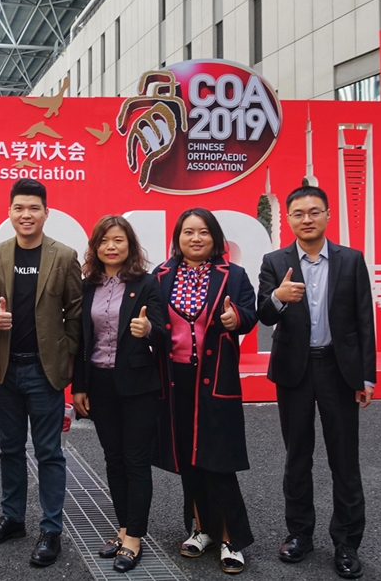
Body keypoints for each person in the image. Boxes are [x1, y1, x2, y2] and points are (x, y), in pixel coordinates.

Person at [257, 186, 376, 580]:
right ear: (288, 219)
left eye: (314, 211)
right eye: (298, 213)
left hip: (339, 369)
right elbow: (264, 315)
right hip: (295, 369)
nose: (306, 219)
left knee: (344, 459)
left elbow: (363, 320)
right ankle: (299, 534)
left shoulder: (350, 260)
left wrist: (366, 376)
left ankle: (347, 543)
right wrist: (278, 296)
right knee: (297, 456)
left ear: (326, 214)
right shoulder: (275, 261)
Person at [0, 178, 82, 567]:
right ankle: (13, 519)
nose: (26, 214)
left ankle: (51, 529)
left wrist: (67, 359)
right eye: (19, 208)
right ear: (9, 212)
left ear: (46, 213)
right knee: (9, 448)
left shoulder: (64, 256)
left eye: (34, 208)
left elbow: (76, 313)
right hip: (5, 367)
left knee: (49, 452)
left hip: (44, 370)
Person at [152, 208, 257, 575]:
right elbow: (153, 322)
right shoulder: (161, 275)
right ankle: (201, 529)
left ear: (215, 238)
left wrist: (236, 318)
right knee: (189, 460)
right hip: (175, 380)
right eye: (188, 232)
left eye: (203, 232)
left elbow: (250, 313)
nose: (195, 239)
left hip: (215, 379)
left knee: (219, 461)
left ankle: (231, 538)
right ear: (177, 238)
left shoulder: (233, 275)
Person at [71, 216, 166, 573]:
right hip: (99, 383)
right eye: (104, 241)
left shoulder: (146, 283)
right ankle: (124, 528)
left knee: (136, 461)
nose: (111, 246)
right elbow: (81, 341)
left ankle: (135, 538)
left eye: (118, 240)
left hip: (138, 385)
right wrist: (79, 386)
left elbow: (164, 333)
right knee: (113, 459)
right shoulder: (87, 286)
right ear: (95, 247)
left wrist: (148, 329)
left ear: (130, 245)